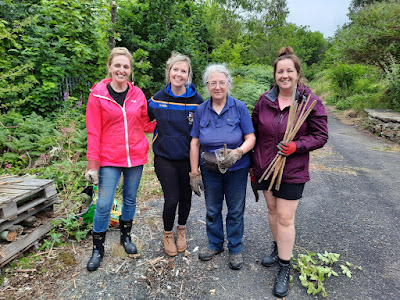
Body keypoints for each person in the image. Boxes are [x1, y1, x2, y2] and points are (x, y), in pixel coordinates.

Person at [251, 46, 328, 297]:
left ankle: (285, 265)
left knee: (285, 217)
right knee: (272, 210)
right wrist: (253, 165)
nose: (284, 75)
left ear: (297, 73)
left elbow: (320, 136)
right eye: (280, 71)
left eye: (289, 71)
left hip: (292, 169)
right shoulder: (264, 100)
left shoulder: (310, 102)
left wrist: (297, 146)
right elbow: (254, 133)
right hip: (265, 167)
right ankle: (277, 248)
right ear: (275, 75)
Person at [85, 47, 156, 271]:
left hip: (135, 157)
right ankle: (98, 248)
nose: (121, 70)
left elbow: (145, 124)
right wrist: (92, 165)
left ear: (130, 70)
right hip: (109, 158)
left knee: (130, 199)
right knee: (104, 204)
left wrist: (168, 119)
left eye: (126, 66)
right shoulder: (97, 94)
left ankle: (126, 238)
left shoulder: (138, 95)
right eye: (117, 65)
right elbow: (93, 132)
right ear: (110, 67)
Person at [189, 64, 256, 270]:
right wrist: (194, 173)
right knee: (212, 209)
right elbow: (194, 142)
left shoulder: (239, 107)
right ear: (207, 86)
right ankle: (215, 244)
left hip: (237, 169)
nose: (217, 87)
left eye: (221, 82)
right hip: (210, 170)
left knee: (235, 210)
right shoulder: (200, 110)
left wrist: (238, 153)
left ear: (228, 84)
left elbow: (250, 137)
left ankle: (235, 248)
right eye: (212, 83)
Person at [147, 52, 204, 256]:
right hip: (164, 157)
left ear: (188, 75)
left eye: (183, 71)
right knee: (171, 199)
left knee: (186, 197)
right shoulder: (157, 99)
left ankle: (182, 230)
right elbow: (142, 118)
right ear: (169, 72)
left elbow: (203, 130)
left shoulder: (198, 101)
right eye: (175, 69)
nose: (179, 74)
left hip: (188, 159)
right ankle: (168, 233)